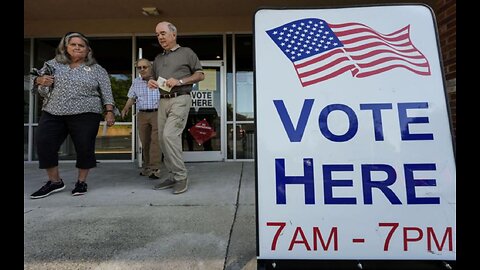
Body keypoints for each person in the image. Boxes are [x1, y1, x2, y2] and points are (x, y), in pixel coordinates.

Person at [30, 32, 117, 199]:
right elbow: (33, 78)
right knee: (44, 143)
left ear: (88, 50)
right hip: (53, 111)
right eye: (73, 44)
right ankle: (54, 182)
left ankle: (81, 182)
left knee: (84, 147)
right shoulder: (53, 64)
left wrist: (109, 111)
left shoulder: (97, 69)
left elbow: (107, 92)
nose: (77, 47)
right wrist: (39, 81)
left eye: (81, 45)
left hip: (86, 112)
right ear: (65, 48)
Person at [147, 21, 205, 194]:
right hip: (162, 99)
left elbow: (200, 74)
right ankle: (173, 175)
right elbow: (155, 79)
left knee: (170, 136)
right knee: (162, 140)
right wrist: (151, 82)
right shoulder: (158, 58)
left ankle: (181, 176)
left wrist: (180, 81)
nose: (160, 37)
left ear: (173, 34)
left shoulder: (187, 52)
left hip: (180, 98)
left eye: (163, 33)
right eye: (157, 35)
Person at [121, 58, 162, 179]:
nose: (142, 69)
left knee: (156, 141)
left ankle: (155, 169)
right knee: (145, 142)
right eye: (139, 67)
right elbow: (131, 97)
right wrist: (125, 108)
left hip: (157, 113)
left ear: (151, 67)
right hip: (142, 115)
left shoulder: (159, 80)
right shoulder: (136, 82)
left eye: (145, 67)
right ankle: (147, 167)